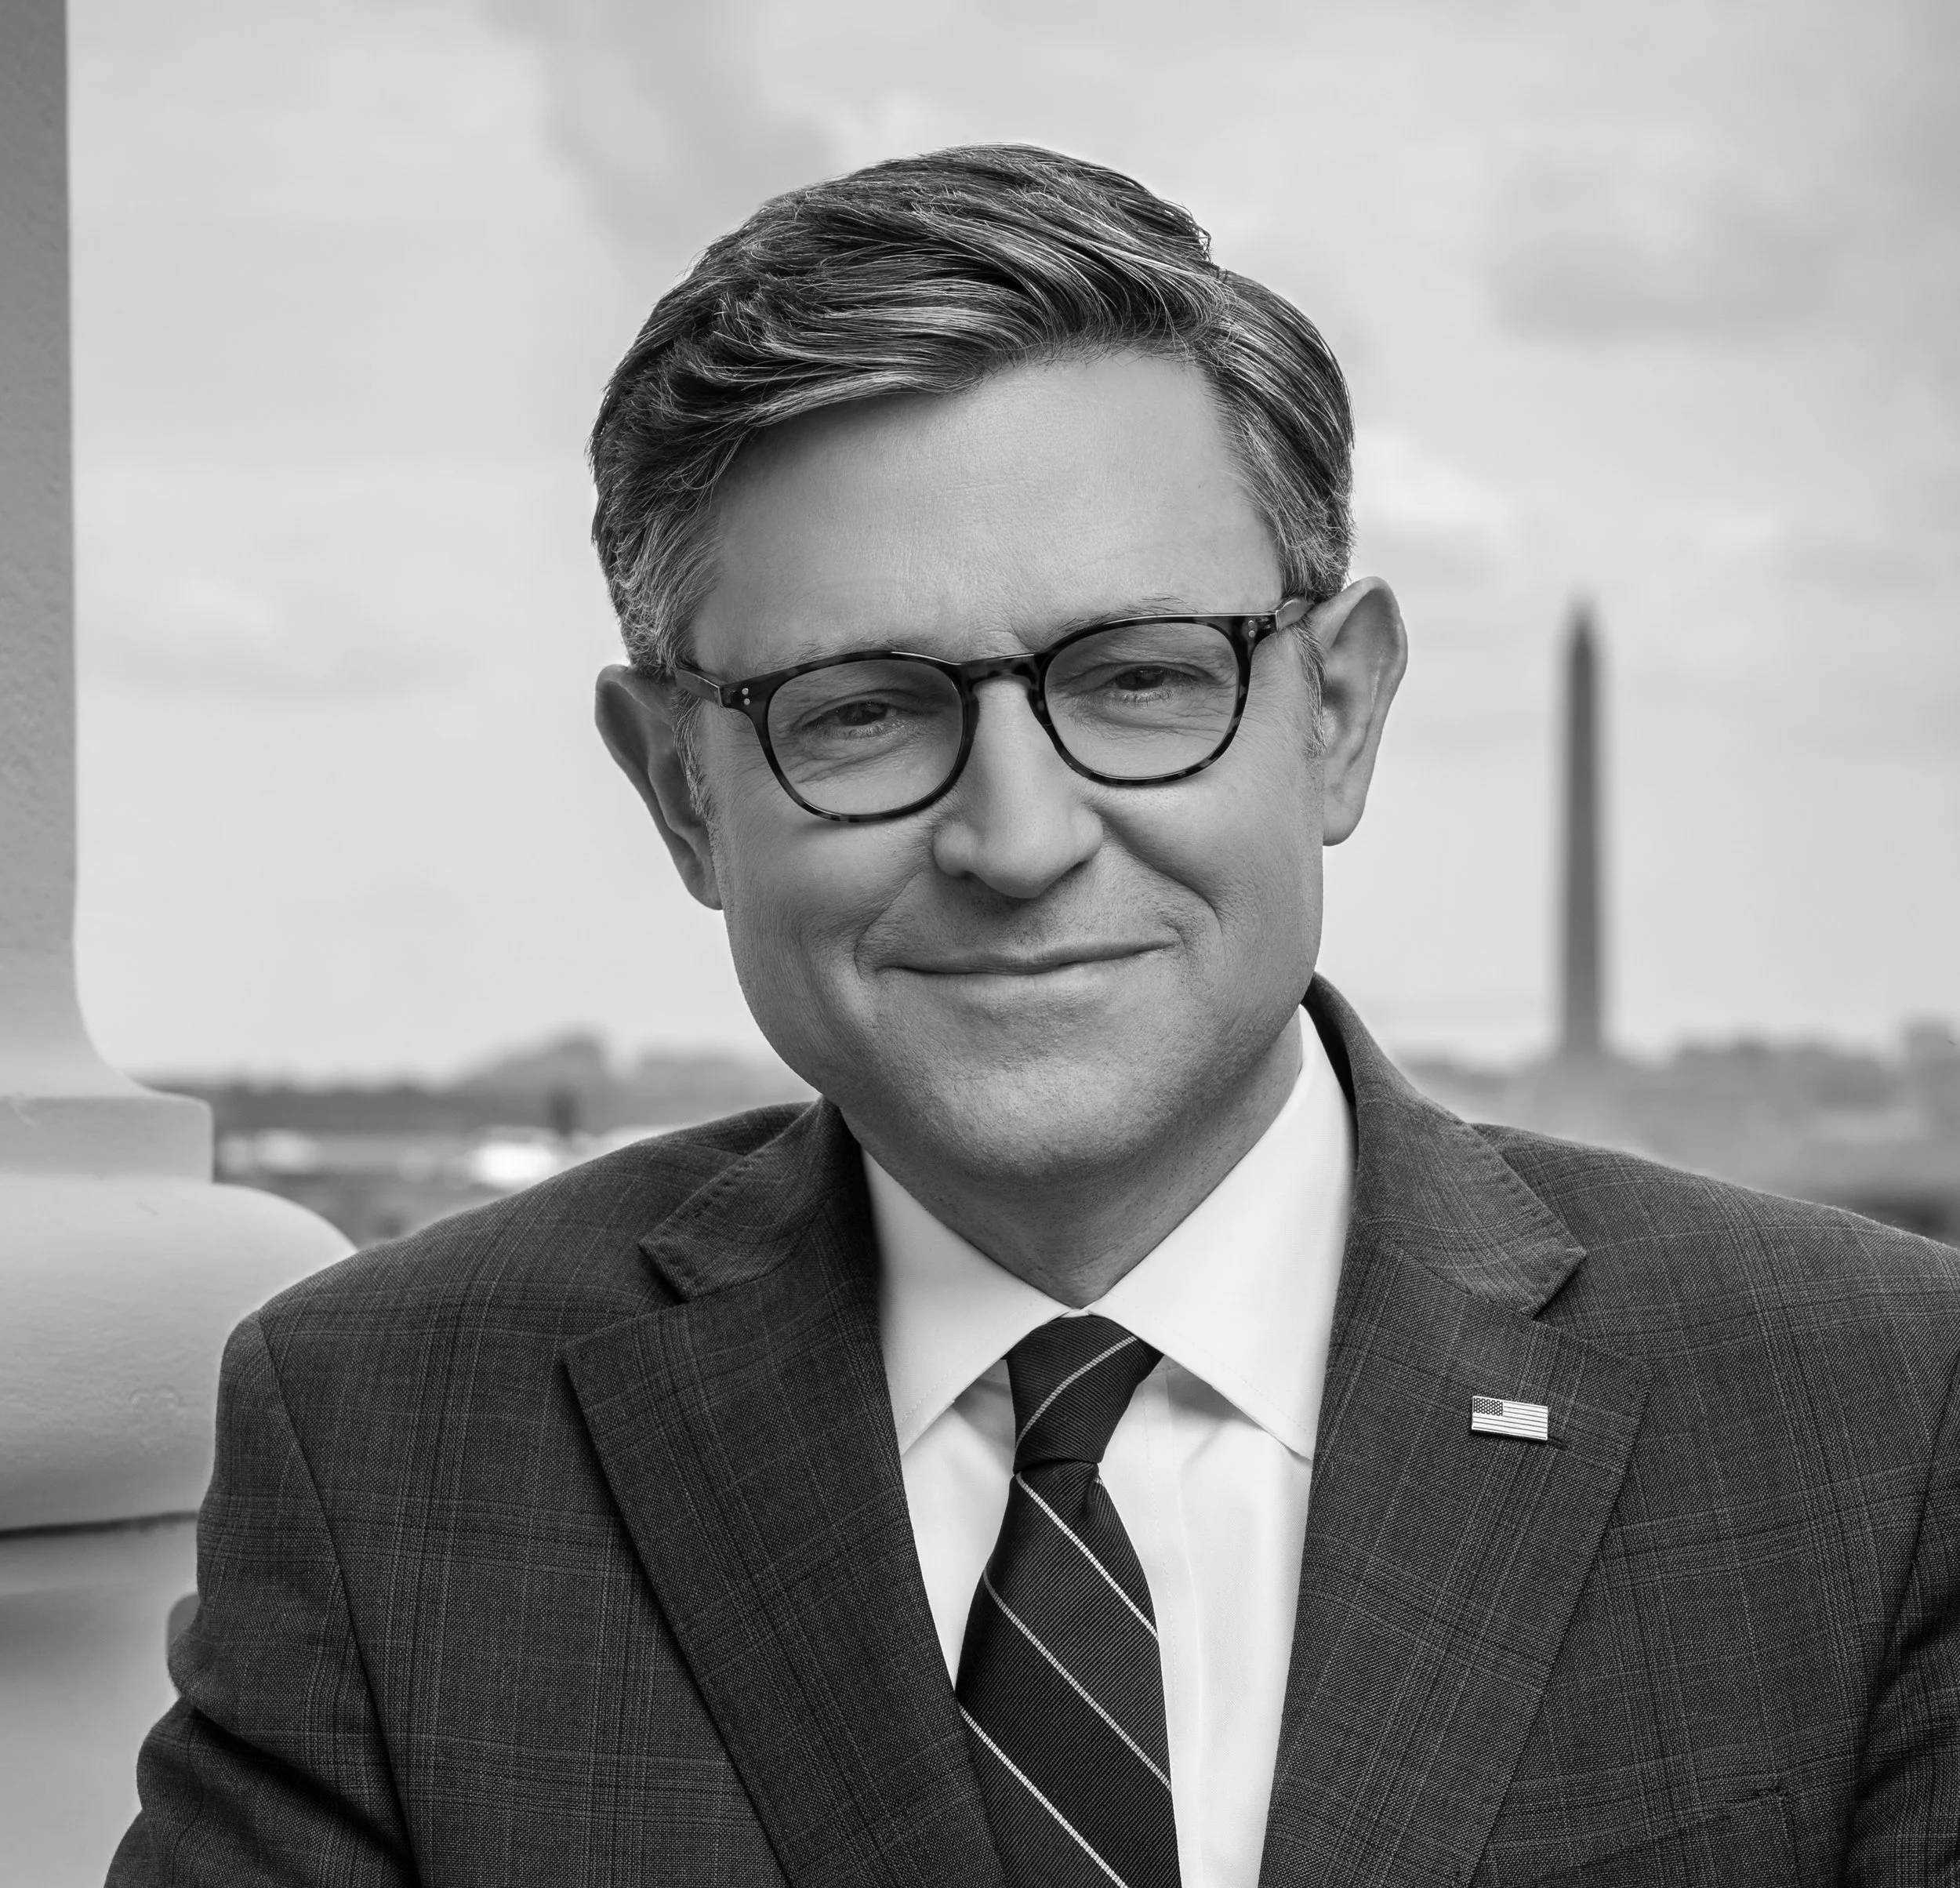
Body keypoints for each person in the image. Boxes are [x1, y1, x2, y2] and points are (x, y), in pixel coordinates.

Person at [112, 145, 1958, 1888]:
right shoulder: (385, 1440)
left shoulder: (1870, 1411)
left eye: (1140, 679)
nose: (1014, 837)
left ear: (1336, 714)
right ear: (681, 790)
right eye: (861, 710)